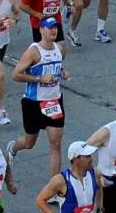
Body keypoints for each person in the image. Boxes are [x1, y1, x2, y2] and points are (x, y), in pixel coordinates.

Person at [4, 17, 68, 178]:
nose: (53, 30)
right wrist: (39, 79)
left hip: (54, 101)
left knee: (56, 144)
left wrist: (62, 73)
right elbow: (16, 74)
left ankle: (53, 188)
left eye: (55, 27)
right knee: (29, 142)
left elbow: (57, 67)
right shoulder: (33, 52)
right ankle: (13, 148)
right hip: (33, 103)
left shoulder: (59, 49)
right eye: (49, 28)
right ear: (41, 30)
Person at [31, 142, 98, 213]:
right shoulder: (60, 180)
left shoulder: (95, 174)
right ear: (76, 159)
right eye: (87, 156)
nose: (91, 159)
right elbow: (40, 200)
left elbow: (100, 188)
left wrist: (99, 208)